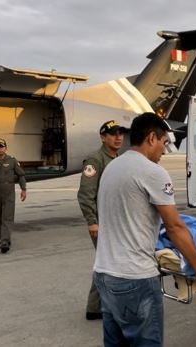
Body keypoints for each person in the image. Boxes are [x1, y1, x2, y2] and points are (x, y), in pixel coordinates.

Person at [93, 112, 196, 346]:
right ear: (152, 138)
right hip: (134, 278)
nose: (164, 151)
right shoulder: (152, 172)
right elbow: (174, 227)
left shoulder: (113, 167)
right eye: (164, 143)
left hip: (104, 273)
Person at [77, 120, 126, 321]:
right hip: (103, 223)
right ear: (103, 137)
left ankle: (95, 307)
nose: (118, 137)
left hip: (116, 222)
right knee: (111, 264)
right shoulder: (95, 160)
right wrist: (92, 221)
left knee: (106, 263)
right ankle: (103, 307)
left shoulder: (119, 158)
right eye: (113, 134)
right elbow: (85, 194)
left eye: (120, 133)